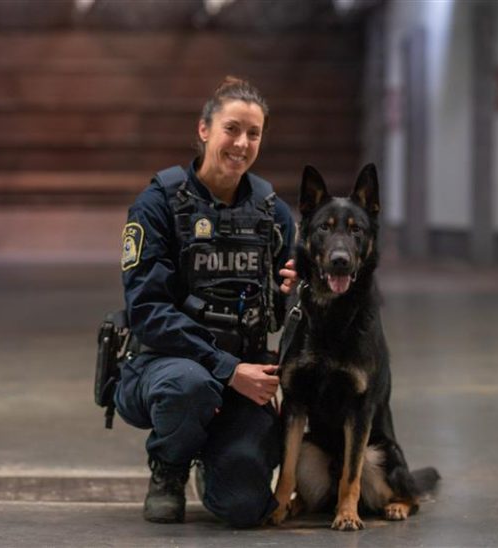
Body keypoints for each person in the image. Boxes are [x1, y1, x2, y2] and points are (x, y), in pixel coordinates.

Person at [114, 76, 299, 528]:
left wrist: (295, 294)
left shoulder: (273, 212)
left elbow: (277, 309)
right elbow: (147, 311)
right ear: (204, 130)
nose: (242, 143)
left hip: (245, 372)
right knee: (189, 387)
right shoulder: (157, 203)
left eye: (253, 133)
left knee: (242, 508)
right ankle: (169, 469)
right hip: (166, 367)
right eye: (231, 129)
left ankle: (215, 459)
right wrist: (227, 369)